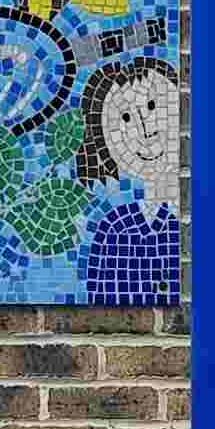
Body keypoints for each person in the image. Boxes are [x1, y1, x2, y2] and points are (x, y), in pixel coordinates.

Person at [75, 49, 183, 305]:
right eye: (125, 118)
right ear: (103, 145)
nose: (146, 131)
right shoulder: (116, 231)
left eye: (152, 105)